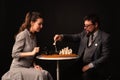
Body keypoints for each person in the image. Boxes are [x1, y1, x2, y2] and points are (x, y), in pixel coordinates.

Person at [53, 14, 112, 80]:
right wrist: (62, 37)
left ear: (96, 25)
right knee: (65, 73)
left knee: (86, 76)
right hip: (81, 64)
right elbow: (74, 37)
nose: (85, 28)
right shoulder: (85, 33)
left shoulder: (105, 37)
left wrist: (89, 66)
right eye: (84, 25)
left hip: (95, 67)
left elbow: (105, 57)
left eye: (87, 26)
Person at [1, 11, 53, 80]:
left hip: (28, 67)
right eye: (39, 24)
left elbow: (30, 57)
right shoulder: (22, 35)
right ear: (32, 23)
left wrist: (34, 65)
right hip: (17, 69)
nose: (41, 26)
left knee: (45, 73)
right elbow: (14, 54)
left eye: (42, 24)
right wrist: (32, 53)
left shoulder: (34, 37)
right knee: (40, 75)